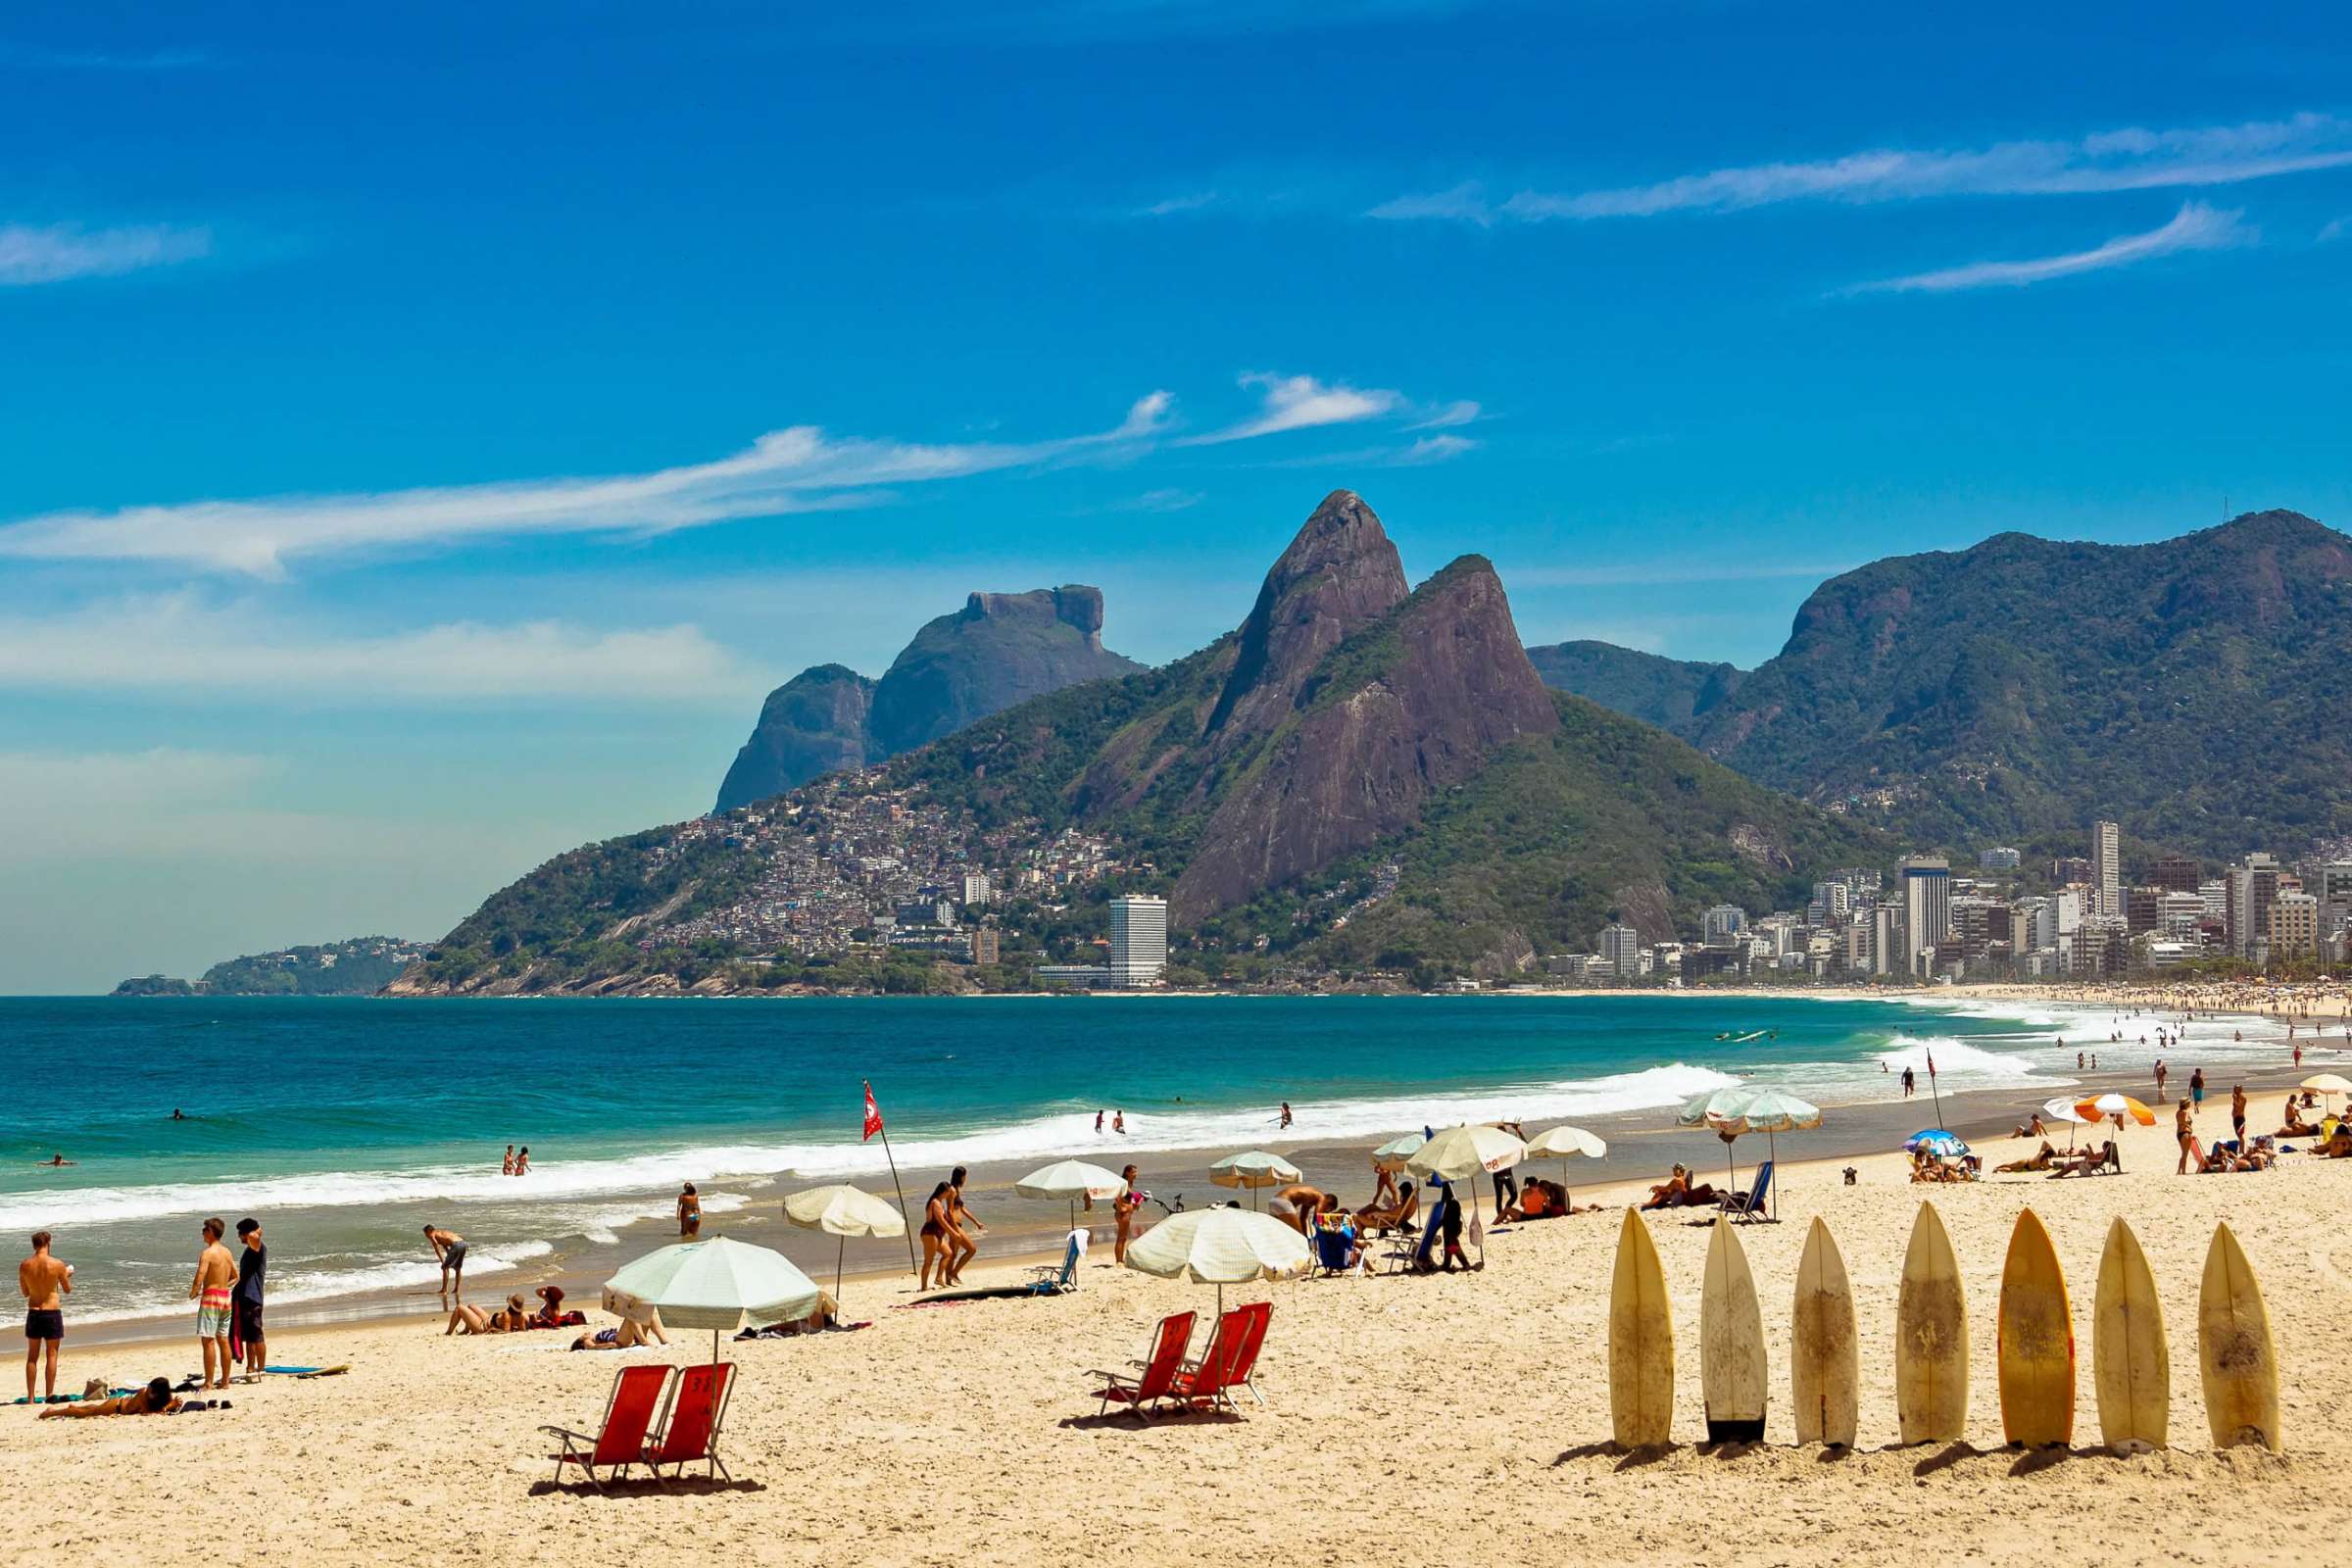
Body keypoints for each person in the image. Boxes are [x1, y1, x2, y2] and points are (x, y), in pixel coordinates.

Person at [20, 1230, 70, 1404]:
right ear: (48, 1242)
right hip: (52, 1312)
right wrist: (65, 1274)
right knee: (52, 1355)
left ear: (34, 1245)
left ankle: (31, 1398)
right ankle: (49, 1395)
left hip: (34, 1312)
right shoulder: (57, 1264)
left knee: (32, 1356)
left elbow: (25, 1292)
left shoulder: (25, 1264)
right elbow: (67, 1289)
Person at [190, 1217, 237, 1392]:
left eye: (204, 1229)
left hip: (211, 1300)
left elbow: (200, 1275)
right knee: (223, 1340)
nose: (202, 1232)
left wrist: (194, 1292)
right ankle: (225, 1381)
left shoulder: (207, 1253)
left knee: (208, 1341)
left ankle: (209, 1382)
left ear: (210, 1232)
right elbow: (236, 1276)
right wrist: (224, 1286)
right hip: (225, 1298)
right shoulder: (227, 1252)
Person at [37, 1376, 180, 1420]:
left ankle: (73, 1407)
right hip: (116, 1407)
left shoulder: (164, 1397)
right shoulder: (143, 1393)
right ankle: (51, 1412)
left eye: (153, 1392)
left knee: (92, 1409)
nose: (150, 1392)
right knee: (88, 1413)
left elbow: (157, 1409)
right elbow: (146, 1412)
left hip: (119, 1404)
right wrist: (168, 1407)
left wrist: (169, 1405)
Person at [233, 1218, 267, 1381]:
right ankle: (250, 1367)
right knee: (249, 1336)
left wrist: (254, 1230)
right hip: (245, 1297)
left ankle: (260, 1368)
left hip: (253, 1297)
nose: (239, 1237)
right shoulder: (248, 1251)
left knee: (256, 1334)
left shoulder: (258, 1248)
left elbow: (256, 1237)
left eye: (240, 1234)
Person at [918, 1181, 961, 1291]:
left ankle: (938, 1278)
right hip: (930, 1233)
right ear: (944, 1192)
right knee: (928, 1261)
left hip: (937, 1234)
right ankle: (924, 1287)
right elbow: (941, 1221)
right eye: (948, 1193)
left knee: (948, 1253)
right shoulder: (935, 1202)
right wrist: (952, 1233)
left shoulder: (939, 1202)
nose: (949, 1195)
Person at [945, 1165, 985, 1285]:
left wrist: (976, 1222)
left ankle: (948, 1280)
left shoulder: (956, 1189)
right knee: (971, 1249)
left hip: (956, 1225)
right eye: (965, 1176)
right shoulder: (952, 1190)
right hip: (954, 1224)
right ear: (961, 1176)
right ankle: (953, 1273)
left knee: (953, 1254)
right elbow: (950, 1211)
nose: (965, 1178)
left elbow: (962, 1209)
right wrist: (954, 1228)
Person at [571, 1314, 669, 1351]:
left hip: (628, 1338)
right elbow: (593, 1347)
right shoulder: (587, 1341)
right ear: (581, 1341)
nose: (586, 1333)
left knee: (649, 1315)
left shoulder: (595, 1337)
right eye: (584, 1335)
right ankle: (644, 1342)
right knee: (631, 1317)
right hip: (619, 1341)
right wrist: (609, 1345)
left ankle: (663, 1340)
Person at [423, 1224, 467, 1299]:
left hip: (456, 1245)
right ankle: (456, 1289)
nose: (426, 1236)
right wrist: (448, 1254)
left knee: (444, 1267)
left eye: (425, 1234)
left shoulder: (432, 1235)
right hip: (463, 1244)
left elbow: (436, 1246)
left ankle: (444, 1290)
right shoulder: (441, 1232)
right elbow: (446, 1244)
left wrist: (442, 1261)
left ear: (429, 1231)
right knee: (457, 1268)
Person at [1112, 1164, 1143, 1265]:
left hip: (1127, 1212)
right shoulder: (1123, 1183)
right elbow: (1116, 1196)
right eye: (1133, 1172)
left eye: (1136, 1172)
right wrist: (1121, 1207)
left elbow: (1128, 1198)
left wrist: (1137, 1202)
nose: (1135, 1174)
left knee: (1123, 1237)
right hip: (1123, 1213)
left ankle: (1120, 1260)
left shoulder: (1129, 1183)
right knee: (1121, 1237)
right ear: (1127, 1173)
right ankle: (1119, 1261)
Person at [2175, 1098, 2197, 1174]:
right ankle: (2183, 1171)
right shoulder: (2186, 1112)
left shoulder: (2178, 1112)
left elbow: (2180, 1122)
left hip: (2179, 1133)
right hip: (2185, 1133)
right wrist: (2190, 1127)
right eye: (2188, 1103)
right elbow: (2185, 1121)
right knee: (2185, 1154)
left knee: (2183, 1153)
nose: (2189, 1104)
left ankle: (2179, 1170)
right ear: (2185, 1104)